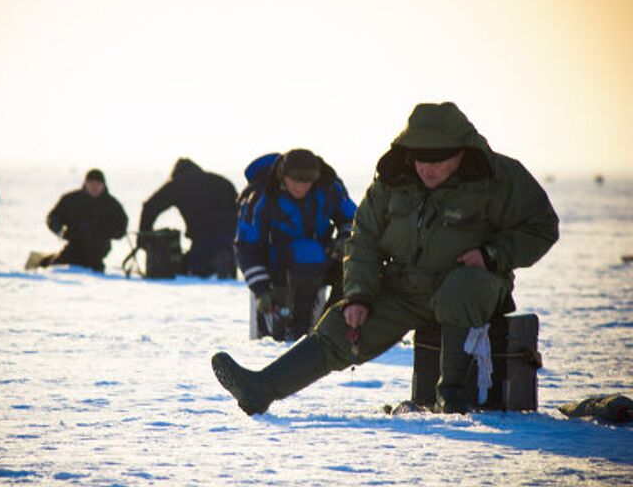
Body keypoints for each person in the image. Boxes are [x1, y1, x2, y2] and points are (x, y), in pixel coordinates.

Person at [212, 102, 560, 415]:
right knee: (339, 326)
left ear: (462, 153)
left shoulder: (500, 177)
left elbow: (542, 227)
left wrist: (492, 254)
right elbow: (363, 238)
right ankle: (261, 389)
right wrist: (359, 294)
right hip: (404, 287)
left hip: (474, 285)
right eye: (421, 159)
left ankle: (451, 396)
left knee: (461, 288)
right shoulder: (393, 182)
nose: (428, 168)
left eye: (438, 160)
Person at [235, 149, 357, 341]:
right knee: (309, 252)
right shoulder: (261, 197)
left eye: (309, 181)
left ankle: (333, 325)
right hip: (275, 267)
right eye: (296, 180)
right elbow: (246, 247)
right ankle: (297, 330)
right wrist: (261, 290)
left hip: (322, 258)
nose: (302, 186)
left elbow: (354, 220)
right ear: (283, 175)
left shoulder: (329, 188)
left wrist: (343, 239)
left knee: (357, 263)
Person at [139, 158, 238, 278]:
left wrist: (144, 235)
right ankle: (225, 260)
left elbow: (150, 206)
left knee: (196, 268)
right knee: (220, 250)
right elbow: (240, 207)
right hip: (231, 235)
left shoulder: (178, 183)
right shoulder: (221, 181)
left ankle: (214, 263)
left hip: (203, 237)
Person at [38, 169, 128, 273]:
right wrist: (59, 229)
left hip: (98, 248)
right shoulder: (71, 199)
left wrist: (100, 228)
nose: (95, 187)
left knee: (95, 268)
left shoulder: (112, 204)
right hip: (74, 244)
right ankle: (42, 260)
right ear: (85, 184)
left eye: (98, 184)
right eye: (91, 184)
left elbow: (121, 227)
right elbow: (53, 217)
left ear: (104, 185)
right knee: (57, 266)